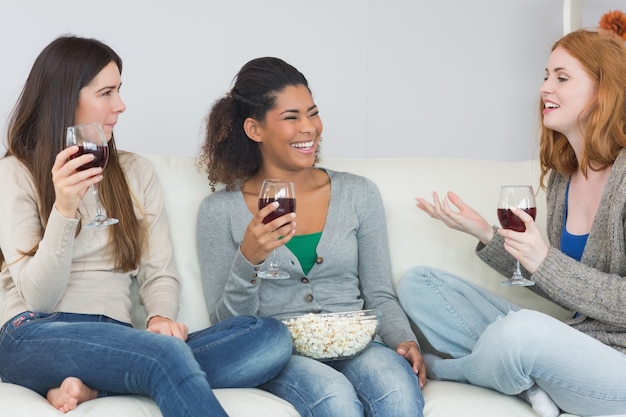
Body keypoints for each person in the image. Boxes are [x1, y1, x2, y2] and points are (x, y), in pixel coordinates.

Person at [0, 36, 292, 416]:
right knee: (162, 356)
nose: (120, 105)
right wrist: (65, 208)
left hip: (120, 339)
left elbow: (159, 272)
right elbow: (39, 298)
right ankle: (131, 371)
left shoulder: (135, 172)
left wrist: (159, 317)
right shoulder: (14, 173)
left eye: (119, 90)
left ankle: (96, 388)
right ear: (64, 97)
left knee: (268, 337)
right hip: (33, 336)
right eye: (106, 92)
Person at [397, 28, 626, 417]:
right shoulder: (563, 178)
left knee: (522, 333)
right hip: (573, 343)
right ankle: (528, 380)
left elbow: (570, 281)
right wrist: (485, 233)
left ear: (605, 90)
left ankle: (451, 371)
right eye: (545, 75)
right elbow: (566, 288)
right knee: (419, 284)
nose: (544, 88)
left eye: (562, 78)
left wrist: (544, 261)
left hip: (616, 369)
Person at [196, 57, 426, 417]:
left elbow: (379, 292)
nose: (309, 128)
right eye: (291, 117)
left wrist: (404, 340)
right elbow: (229, 329)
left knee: (398, 391)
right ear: (255, 129)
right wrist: (249, 258)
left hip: (358, 344)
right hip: (284, 355)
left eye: (313, 113)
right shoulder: (219, 211)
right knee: (335, 399)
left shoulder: (358, 193)